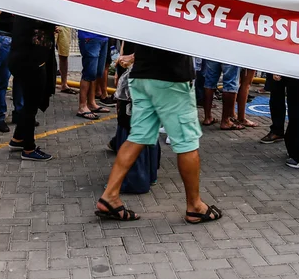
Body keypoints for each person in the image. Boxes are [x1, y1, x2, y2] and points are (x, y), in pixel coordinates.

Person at [94, 44, 221, 225]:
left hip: (142, 75)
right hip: (171, 76)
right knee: (187, 141)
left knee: (137, 136)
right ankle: (195, 206)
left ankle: (110, 195)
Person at [7, 15, 57, 161]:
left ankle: (17, 139)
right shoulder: (33, 13)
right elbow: (35, 33)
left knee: (30, 104)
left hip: (22, 59)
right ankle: (29, 149)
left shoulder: (23, 10)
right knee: (31, 106)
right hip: (31, 61)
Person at [77, 30, 110, 119]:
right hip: (90, 36)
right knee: (89, 72)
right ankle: (82, 106)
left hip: (103, 36)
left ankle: (91, 103)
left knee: (97, 72)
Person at [202, 60, 244, 130]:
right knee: (230, 84)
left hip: (213, 52)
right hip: (230, 54)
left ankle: (207, 117)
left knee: (209, 82)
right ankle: (225, 120)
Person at [55, 26, 77, 95]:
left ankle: (64, 84)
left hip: (64, 26)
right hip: (51, 23)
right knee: (46, 52)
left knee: (64, 55)